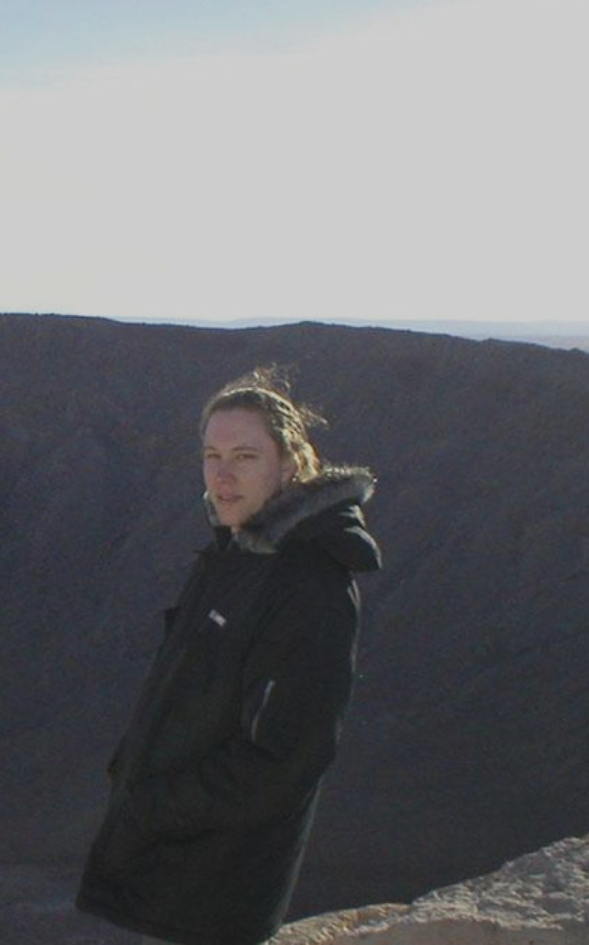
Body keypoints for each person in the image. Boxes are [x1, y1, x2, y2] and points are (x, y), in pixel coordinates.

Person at [76, 367, 382, 945]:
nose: (222, 475)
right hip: (172, 869)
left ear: (288, 464)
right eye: (211, 456)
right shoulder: (237, 555)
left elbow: (284, 760)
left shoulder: (308, 584)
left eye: (245, 456)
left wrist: (151, 806)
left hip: (214, 891)